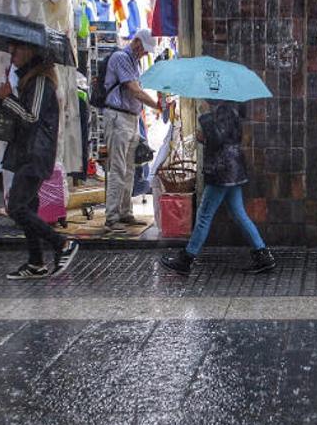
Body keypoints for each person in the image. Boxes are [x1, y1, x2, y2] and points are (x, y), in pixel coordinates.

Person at [159, 101, 275, 276]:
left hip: (222, 170)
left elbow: (217, 139)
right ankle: (263, 255)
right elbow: (224, 137)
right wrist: (205, 135)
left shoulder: (223, 110)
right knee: (238, 213)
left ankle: (187, 259)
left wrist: (205, 117)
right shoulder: (233, 108)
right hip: (233, 168)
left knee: (204, 214)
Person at [0, 43, 79, 280]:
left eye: (15, 51)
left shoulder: (41, 81)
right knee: (29, 207)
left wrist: (8, 99)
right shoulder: (30, 80)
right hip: (28, 152)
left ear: (29, 52)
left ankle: (62, 244)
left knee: (16, 207)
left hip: (35, 154)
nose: (12, 56)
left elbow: (31, 117)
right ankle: (36, 262)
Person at [103, 28, 162, 233]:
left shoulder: (135, 62)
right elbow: (134, 90)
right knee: (118, 169)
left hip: (130, 119)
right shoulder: (121, 58)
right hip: (118, 118)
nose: (145, 53)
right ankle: (111, 217)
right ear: (136, 41)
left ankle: (125, 212)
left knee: (129, 169)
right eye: (144, 49)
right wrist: (157, 105)